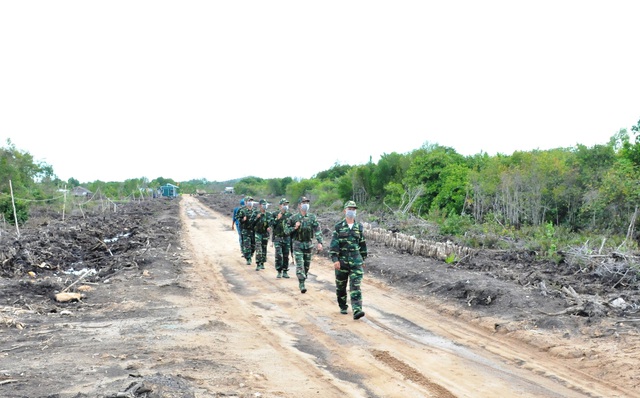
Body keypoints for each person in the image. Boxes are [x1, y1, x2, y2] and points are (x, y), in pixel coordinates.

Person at [330, 200, 367, 320]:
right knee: (341, 286)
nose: (352, 211)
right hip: (342, 261)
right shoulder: (338, 226)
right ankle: (343, 306)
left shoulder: (359, 227)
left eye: (354, 209)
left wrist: (363, 259)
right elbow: (334, 245)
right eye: (349, 209)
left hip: (356, 261)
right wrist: (335, 259)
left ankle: (357, 309)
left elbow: (362, 244)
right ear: (345, 211)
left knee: (355, 285)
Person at [288, 196, 323, 293]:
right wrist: (295, 227)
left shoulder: (312, 217)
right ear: (299, 205)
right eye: (304, 203)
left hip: (308, 245)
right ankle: (301, 283)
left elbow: (317, 230)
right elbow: (286, 231)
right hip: (298, 244)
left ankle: (304, 277)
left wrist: (320, 242)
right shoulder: (293, 218)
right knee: (300, 265)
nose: (306, 205)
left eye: (307, 202)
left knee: (306, 266)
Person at [270, 198, 293, 279]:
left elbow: (292, 227)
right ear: (280, 206)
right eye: (284, 204)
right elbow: (271, 224)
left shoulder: (290, 215)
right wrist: (277, 219)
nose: (285, 206)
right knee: (278, 255)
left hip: (286, 238)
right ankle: (279, 271)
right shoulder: (275, 214)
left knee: (286, 255)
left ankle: (285, 271)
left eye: (286, 204)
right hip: (278, 237)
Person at [251, 199, 272, 271]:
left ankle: (263, 262)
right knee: (258, 248)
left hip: (265, 234)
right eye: (263, 204)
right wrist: (257, 218)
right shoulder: (255, 213)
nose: (265, 206)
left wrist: (270, 227)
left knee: (264, 248)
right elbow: (251, 223)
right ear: (260, 205)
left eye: (265, 204)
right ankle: (258, 263)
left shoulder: (269, 214)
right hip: (258, 233)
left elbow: (271, 222)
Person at [236, 196, 256, 265]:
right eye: (249, 201)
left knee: (253, 245)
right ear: (245, 202)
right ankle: (248, 258)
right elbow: (238, 218)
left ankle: (251, 254)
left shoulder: (255, 210)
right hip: (245, 230)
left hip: (253, 231)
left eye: (251, 201)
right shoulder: (242, 210)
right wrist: (242, 220)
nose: (250, 202)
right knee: (247, 245)